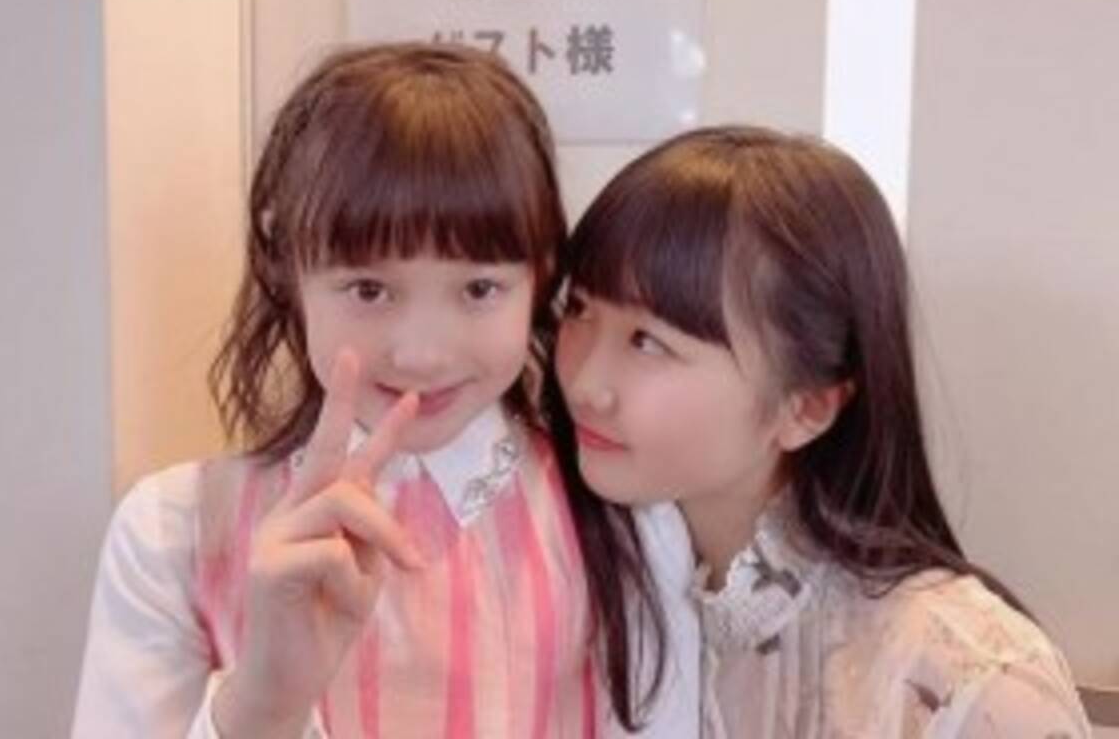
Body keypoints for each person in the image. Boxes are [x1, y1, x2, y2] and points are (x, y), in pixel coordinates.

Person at [72, 42, 696, 738]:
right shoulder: (175, 532)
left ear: (541, 272)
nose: (421, 353)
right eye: (369, 289)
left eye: (479, 289)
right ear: (286, 265)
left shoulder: (626, 524)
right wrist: (265, 702)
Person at [553, 125, 1091, 737]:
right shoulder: (592, 586)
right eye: (579, 308)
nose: (585, 382)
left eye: (648, 342)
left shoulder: (967, 684)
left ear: (806, 408)